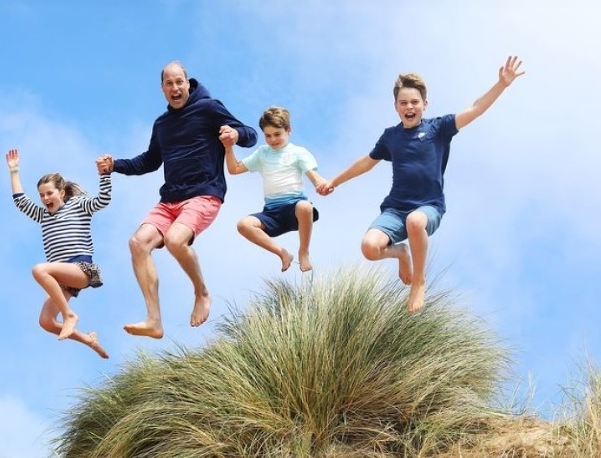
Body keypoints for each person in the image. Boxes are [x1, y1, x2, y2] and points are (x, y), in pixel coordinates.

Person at [317, 55, 525, 313]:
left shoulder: (439, 128)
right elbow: (366, 163)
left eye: (414, 102)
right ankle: (402, 253)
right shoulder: (390, 136)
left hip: (429, 206)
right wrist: (334, 181)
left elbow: (476, 108)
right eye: (403, 103)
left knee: (415, 221)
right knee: (369, 248)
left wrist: (501, 85)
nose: (409, 107)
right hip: (394, 209)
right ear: (395, 107)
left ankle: (419, 281)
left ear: (425, 105)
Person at [96, 61, 257, 339]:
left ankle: (201, 293)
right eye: (169, 84)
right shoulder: (162, 124)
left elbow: (251, 136)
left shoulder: (208, 108)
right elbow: (149, 161)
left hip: (204, 193)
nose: (175, 88)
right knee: (137, 243)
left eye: (179, 82)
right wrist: (115, 166)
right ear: (162, 89)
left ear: (188, 82)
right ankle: (154, 320)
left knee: (174, 239)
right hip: (170, 200)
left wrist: (235, 134)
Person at [6, 148, 111, 359]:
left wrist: (105, 175)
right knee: (45, 321)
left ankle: (69, 315)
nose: (45, 198)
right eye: (42, 195)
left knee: (39, 270)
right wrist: (14, 171)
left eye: (50, 193)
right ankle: (88, 340)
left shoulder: (77, 205)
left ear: (61, 193)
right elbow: (20, 201)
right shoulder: (42, 215)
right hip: (63, 279)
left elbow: (103, 201)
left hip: (81, 269)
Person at [222, 106, 326, 272]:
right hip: (272, 213)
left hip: (295, 210)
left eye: (277, 134)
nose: (272, 139)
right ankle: (282, 253)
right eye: (268, 135)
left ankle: (304, 252)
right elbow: (234, 169)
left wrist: (320, 184)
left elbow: (313, 175)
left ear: (288, 131)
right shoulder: (263, 153)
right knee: (243, 224)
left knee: (305, 206)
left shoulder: (298, 152)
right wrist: (228, 147)